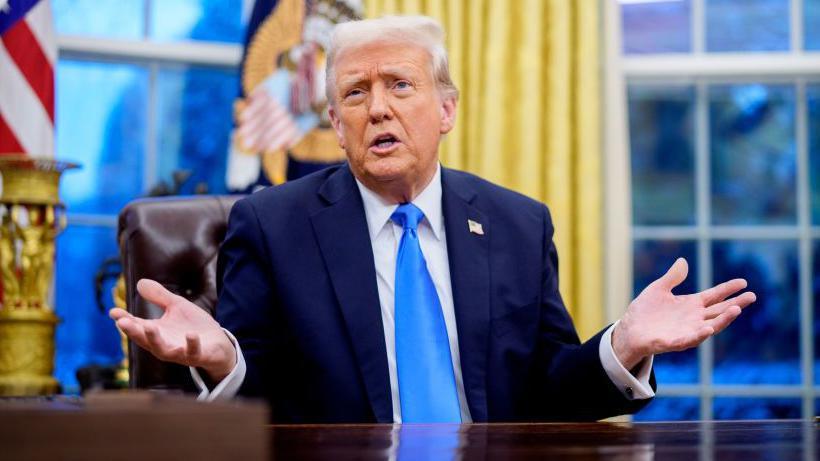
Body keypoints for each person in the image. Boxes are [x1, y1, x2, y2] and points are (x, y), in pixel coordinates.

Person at [110, 16, 756, 423]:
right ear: (334, 125)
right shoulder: (273, 223)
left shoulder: (517, 224)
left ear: (446, 109)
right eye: (355, 94)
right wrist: (225, 358)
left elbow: (546, 392)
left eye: (400, 84)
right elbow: (265, 398)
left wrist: (624, 345)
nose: (378, 109)